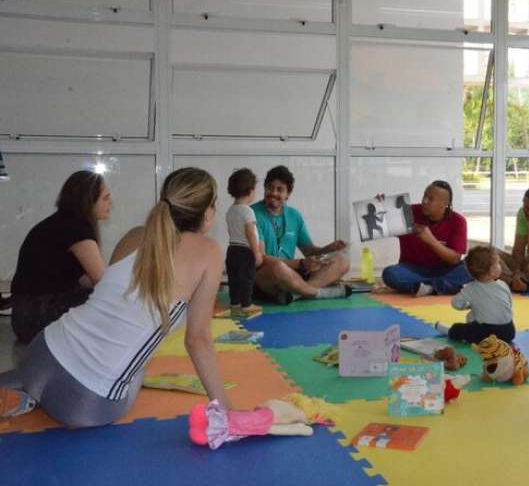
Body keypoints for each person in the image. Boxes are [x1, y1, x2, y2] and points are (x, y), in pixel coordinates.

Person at [0, 167, 233, 427]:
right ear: (208, 212)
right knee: (138, 370)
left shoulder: (134, 235)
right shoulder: (209, 252)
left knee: (108, 351)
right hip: (84, 403)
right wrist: (226, 412)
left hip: (41, 351)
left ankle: (28, 391)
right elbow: (197, 339)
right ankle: (38, 393)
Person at [10, 170, 112, 343]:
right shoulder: (76, 229)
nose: (110, 203)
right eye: (105, 197)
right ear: (88, 200)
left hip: (24, 317)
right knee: (109, 302)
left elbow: (83, 280)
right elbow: (103, 282)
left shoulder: (63, 223)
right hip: (35, 318)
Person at [252, 166, 350, 304]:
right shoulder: (252, 214)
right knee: (279, 267)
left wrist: (328, 249)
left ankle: (297, 294)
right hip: (267, 275)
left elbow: (308, 250)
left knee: (342, 260)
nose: (273, 193)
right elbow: (261, 258)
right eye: (270, 188)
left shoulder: (294, 215)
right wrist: (301, 264)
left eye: (280, 189)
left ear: (288, 194)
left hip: (293, 274)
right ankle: (317, 293)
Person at [381, 180, 471, 296]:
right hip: (412, 269)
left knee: (471, 268)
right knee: (390, 274)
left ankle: (427, 287)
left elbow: (454, 259)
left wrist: (432, 241)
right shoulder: (408, 212)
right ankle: (444, 286)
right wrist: (380, 207)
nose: (424, 201)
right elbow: (381, 226)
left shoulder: (458, 221)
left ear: (445, 204)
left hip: (445, 269)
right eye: (424, 196)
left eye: (431, 199)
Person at [435, 246, 515, 344]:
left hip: (487, 333)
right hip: (508, 332)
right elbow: (509, 304)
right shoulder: (503, 285)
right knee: (474, 316)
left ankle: (450, 331)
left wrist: (466, 306)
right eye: (498, 263)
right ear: (492, 270)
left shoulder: (471, 288)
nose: (500, 266)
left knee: (461, 329)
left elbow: (455, 303)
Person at [225, 168, 263, 317]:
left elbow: (230, 231)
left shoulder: (231, 210)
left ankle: (235, 303)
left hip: (232, 249)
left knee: (234, 277)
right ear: (251, 190)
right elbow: (250, 233)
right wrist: (257, 252)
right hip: (245, 251)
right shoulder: (247, 211)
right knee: (247, 278)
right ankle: (246, 304)